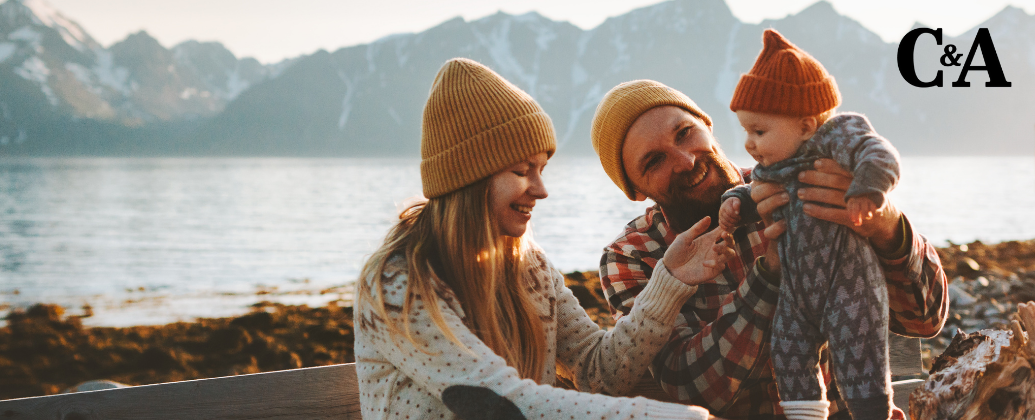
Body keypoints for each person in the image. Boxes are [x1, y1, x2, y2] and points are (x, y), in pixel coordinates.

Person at [353, 57, 736, 420]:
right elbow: (493, 400)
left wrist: (669, 281)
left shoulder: (529, 266)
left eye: (541, 168)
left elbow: (599, 370)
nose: (540, 189)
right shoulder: (398, 281)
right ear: (468, 180)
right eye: (522, 171)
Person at [589, 80, 949, 418]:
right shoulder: (633, 256)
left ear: (707, 124)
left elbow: (926, 318)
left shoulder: (809, 179)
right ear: (635, 190)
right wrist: (770, 275)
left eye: (685, 133)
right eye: (654, 161)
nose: (685, 161)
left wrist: (886, 225)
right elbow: (690, 386)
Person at [718, 29, 902, 420]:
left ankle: (873, 413)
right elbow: (753, 191)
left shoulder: (834, 138)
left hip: (847, 282)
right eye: (746, 131)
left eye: (759, 131)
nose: (749, 143)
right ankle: (804, 414)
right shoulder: (774, 167)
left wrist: (868, 188)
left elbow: (879, 152)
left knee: (859, 352)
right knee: (786, 350)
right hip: (796, 292)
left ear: (805, 125)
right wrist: (733, 203)